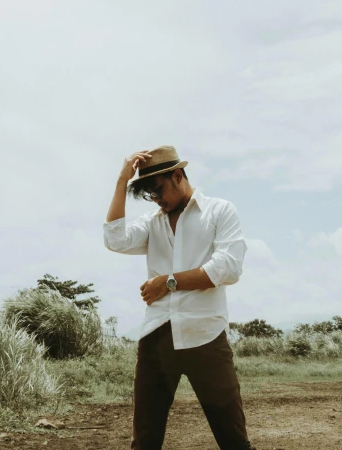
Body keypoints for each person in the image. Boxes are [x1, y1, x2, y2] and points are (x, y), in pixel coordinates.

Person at [104, 145, 256, 450]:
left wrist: (169, 282)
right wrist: (122, 181)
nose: (156, 200)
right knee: (144, 442)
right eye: (148, 195)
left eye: (158, 190)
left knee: (234, 441)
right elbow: (114, 239)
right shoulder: (152, 222)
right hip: (157, 337)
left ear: (177, 175)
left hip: (206, 335)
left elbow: (228, 268)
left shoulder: (219, 211)